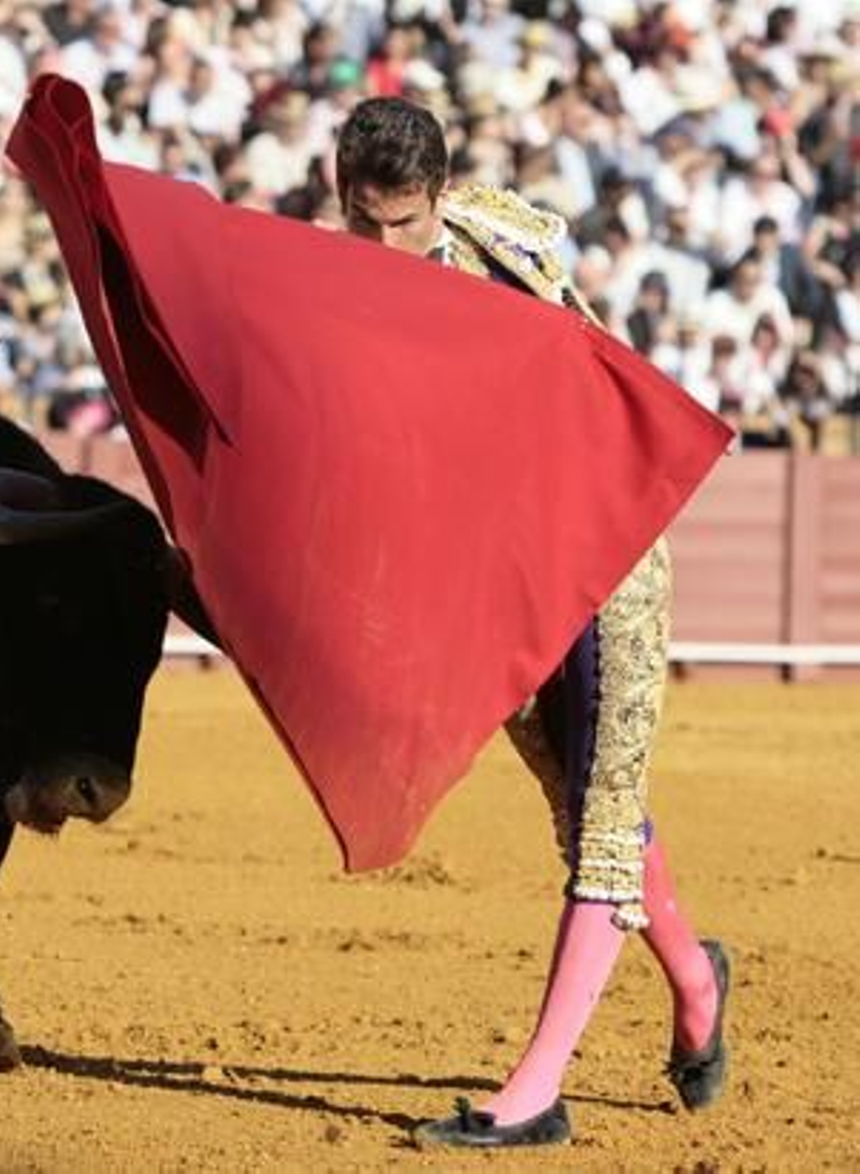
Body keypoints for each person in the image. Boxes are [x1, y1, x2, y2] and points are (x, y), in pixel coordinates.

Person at [332, 96, 730, 1149]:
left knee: (602, 819)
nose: (385, 245)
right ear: (341, 201)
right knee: (579, 804)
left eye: (404, 222)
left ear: (439, 196)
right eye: (365, 222)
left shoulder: (502, 263)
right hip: (496, 585)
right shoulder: (339, 287)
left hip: (603, 557)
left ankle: (536, 1094)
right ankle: (696, 980)